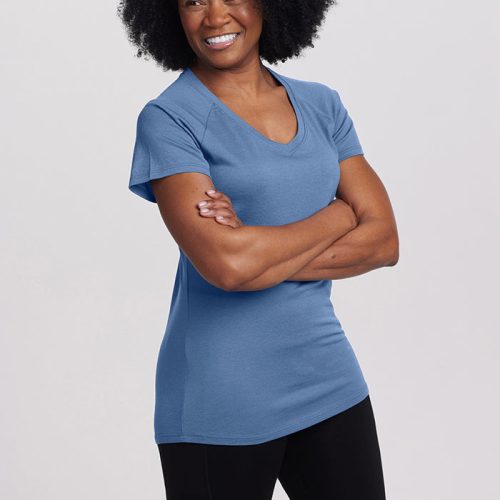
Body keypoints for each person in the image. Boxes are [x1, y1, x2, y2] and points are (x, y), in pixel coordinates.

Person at [118, 0, 398, 498]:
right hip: (220, 396)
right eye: (193, 1)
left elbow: (383, 241)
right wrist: (338, 214)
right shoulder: (169, 119)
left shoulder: (322, 104)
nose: (214, 16)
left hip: (328, 376)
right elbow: (227, 267)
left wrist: (258, 252)